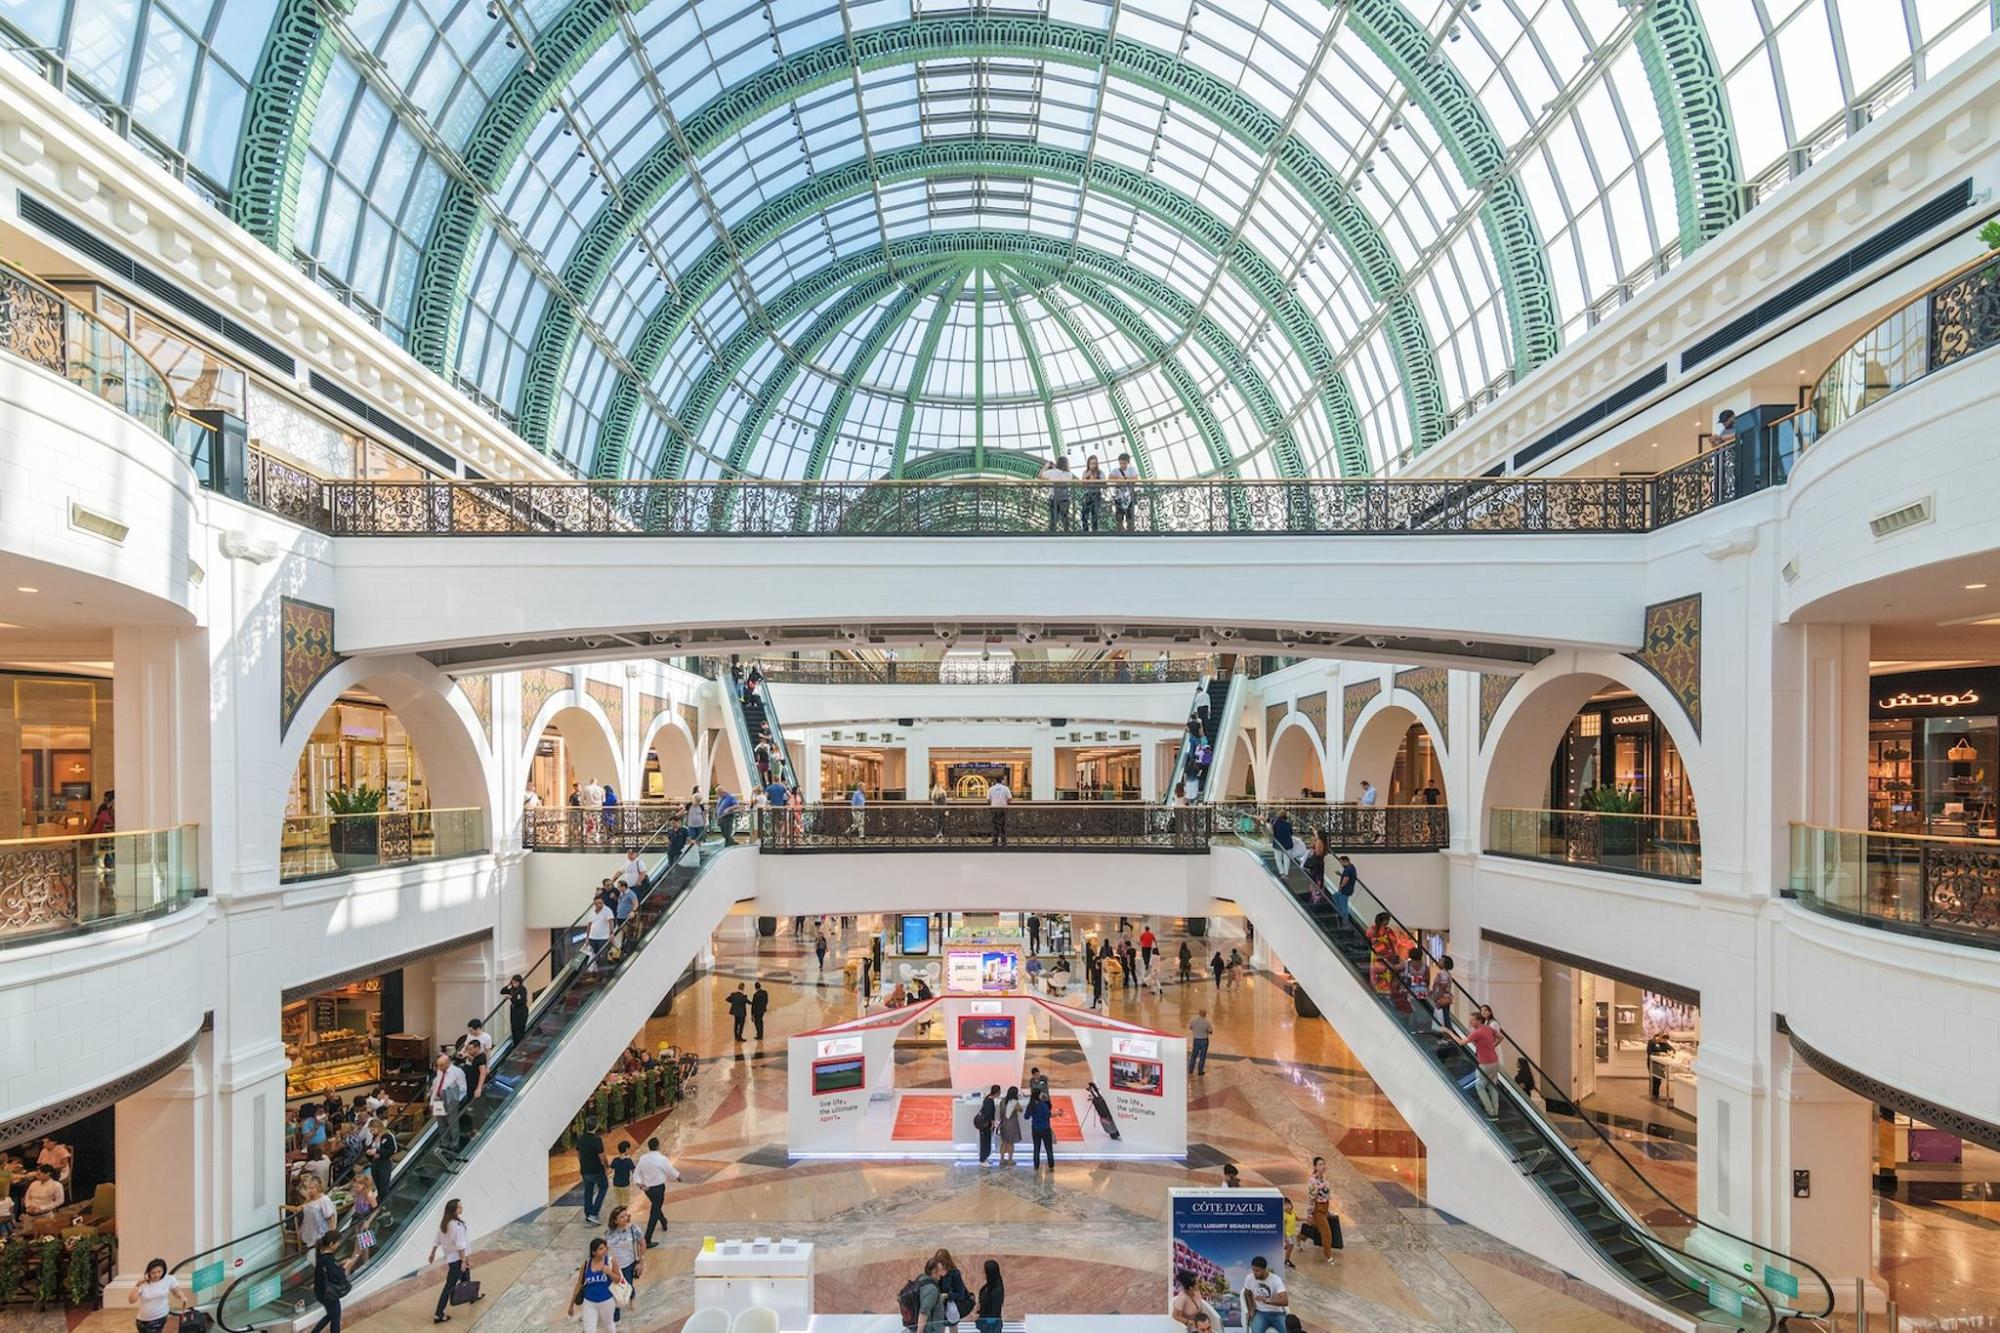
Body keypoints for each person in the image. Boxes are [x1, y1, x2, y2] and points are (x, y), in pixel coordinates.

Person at [428, 1198, 472, 1323]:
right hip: (457, 1260)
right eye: (459, 1207)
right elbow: (460, 1245)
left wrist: (432, 1253)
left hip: (453, 1259)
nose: (461, 1208)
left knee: (466, 1278)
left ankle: (472, 1296)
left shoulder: (445, 1223)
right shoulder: (457, 1226)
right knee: (449, 1287)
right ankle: (439, 1313)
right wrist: (463, 1261)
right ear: (453, 1210)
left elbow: (437, 1239)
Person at [635, 1136, 681, 1246]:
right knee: (655, 1211)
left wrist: (640, 1184)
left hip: (647, 1189)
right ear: (658, 1146)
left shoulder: (643, 1158)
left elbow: (637, 1173)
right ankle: (647, 1239)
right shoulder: (662, 1159)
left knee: (656, 1206)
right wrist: (678, 1176)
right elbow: (670, 1170)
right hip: (658, 1188)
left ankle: (663, 1221)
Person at [604, 1206, 646, 1322]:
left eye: (626, 1215)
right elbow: (605, 1248)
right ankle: (615, 1316)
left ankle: (632, 1294)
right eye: (621, 1217)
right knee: (615, 1290)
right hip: (613, 1266)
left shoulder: (633, 1229)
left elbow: (642, 1243)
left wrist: (641, 1261)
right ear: (615, 1220)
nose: (625, 1218)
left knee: (626, 1286)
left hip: (628, 1265)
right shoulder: (608, 1233)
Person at [1461, 1010, 1506, 1117]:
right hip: (1494, 1061)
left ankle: (1490, 1112)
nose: (1470, 1022)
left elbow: (1461, 1042)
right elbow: (1501, 1037)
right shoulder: (1487, 1028)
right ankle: (1495, 1111)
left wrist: (1449, 1033)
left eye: (1473, 1020)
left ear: (1479, 1020)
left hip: (1485, 1064)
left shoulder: (1477, 1032)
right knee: (1492, 1086)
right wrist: (1493, 1046)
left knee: (1479, 1086)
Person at [567, 1238, 617, 1333]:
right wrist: (571, 1305)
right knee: (589, 1329)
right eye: (601, 1249)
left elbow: (618, 1280)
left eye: (604, 1247)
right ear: (594, 1252)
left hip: (606, 1301)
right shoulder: (586, 1265)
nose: (604, 1250)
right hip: (589, 1302)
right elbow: (579, 1284)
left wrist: (609, 1272)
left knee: (609, 1326)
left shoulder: (611, 1261)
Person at [127, 1256, 188, 1333]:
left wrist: (182, 1296)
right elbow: (131, 1300)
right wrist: (137, 1285)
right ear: (148, 1272)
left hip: (163, 1316)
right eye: (153, 1273)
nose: (157, 1275)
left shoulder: (169, 1279)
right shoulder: (143, 1283)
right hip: (145, 1320)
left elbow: (176, 1291)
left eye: (159, 1272)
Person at [308, 1235, 354, 1333]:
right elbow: (336, 1276)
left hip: (322, 1292)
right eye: (337, 1242)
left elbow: (330, 1271)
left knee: (331, 1315)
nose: (339, 1244)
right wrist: (346, 1266)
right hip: (328, 1294)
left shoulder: (322, 1256)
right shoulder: (327, 1258)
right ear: (331, 1244)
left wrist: (340, 1264)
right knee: (335, 1318)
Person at [429, 1053, 468, 1151]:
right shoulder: (440, 1071)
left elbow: (463, 1088)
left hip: (450, 1097)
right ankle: (444, 1142)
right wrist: (431, 1101)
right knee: (441, 1123)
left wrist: (456, 1100)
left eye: (441, 1065)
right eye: (438, 1065)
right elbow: (435, 1086)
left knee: (452, 1122)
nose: (439, 1068)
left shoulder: (457, 1072)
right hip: (438, 1098)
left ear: (447, 1063)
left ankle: (454, 1144)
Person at [1243, 1255, 1288, 1332]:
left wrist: (1267, 1301)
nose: (1254, 1273)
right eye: (1253, 1270)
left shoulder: (1276, 1279)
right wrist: (1251, 1309)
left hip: (1277, 1313)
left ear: (1264, 1269)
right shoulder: (1249, 1278)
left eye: (1257, 1271)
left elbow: (1285, 1301)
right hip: (1260, 1313)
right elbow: (1247, 1293)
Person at [577, 1117, 609, 1224]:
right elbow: (602, 1156)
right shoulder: (597, 1139)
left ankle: (588, 1215)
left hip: (585, 1170)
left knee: (588, 1192)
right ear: (596, 1125)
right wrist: (607, 1166)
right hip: (597, 1170)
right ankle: (594, 1214)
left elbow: (578, 1155)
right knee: (603, 1187)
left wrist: (583, 1164)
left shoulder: (580, 1138)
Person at [931, 1248, 973, 1326]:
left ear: (947, 1263)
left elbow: (961, 1294)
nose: (939, 1270)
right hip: (940, 1309)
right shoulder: (935, 1274)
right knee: (940, 1327)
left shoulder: (955, 1274)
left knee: (953, 1325)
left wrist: (947, 1295)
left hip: (953, 1308)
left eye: (942, 1266)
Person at [1306, 1157, 1336, 1263]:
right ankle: (1328, 1256)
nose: (1322, 1166)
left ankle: (1300, 1237)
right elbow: (1311, 1198)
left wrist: (1328, 1209)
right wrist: (1309, 1213)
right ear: (1315, 1167)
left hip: (1325, 1207)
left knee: (1314, 1227)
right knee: (1326, 1232)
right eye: (1319, 1164)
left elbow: (1327, 1195)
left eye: (1323, 1164)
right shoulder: (1312, 1181)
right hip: (1317, 1208)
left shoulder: (1325, 1179)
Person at [1039, 453, 1074, 531]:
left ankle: (1052, 533)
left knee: (1053, 518)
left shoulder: (1052, 472)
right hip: (1065, 498)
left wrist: (1046, 466)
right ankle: (1067, 533)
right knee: (1065, 517)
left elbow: (1040, 476)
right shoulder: (1069, 474)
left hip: (1054, 497)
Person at [367, 1117, 397, 1204]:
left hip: (384, 1162)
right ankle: (380, 1201)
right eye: (370, 1131)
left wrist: (378, 1152)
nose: (372, 1132)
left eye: (373, 1130)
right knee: (378, 1184)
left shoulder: (388, 1136)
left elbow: (392, 1150)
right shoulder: (374, 1137)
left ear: (379, 1128)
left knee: (384, 1186)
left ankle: (386, 1204)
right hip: (375, 1162)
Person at [915, 1258, 949, 1332]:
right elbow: (924, 1312)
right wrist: (919, 1331)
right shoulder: (931, 1289)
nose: (942, 1273)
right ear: (934, 1271)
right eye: (940, 1270)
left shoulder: (921, 1278)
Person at [1109, 451, 1141, 531]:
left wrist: (1124, 479)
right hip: (1119, 497)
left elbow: (1136, 479)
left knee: (1130, 516)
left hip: (1129, 496)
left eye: (1124, 463)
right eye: (1121, 463)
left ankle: (1130, 531)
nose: (1122, 465)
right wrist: (1118, 479)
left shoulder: (1132, 469)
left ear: (1128, 462)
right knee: (1119, 516)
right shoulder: (1116, 470)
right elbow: (1110, 478)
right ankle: (1120, 531)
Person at [1027, 1088, 1056, 1169]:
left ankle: (1036, 1165)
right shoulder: (1043, 1105)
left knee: (1036, 1147)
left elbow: (1026, 1116)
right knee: (1048, 1148)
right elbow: (1048, 1115)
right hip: (1045, 1128)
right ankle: (1051, 1164)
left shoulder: (1031, 1105)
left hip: (1035, 1129)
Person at [586, 893, 616, 970]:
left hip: (603, 938)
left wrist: (611, 933)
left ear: (603, 902)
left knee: (602, 958)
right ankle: (595, 972)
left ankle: (603, 974)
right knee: (593, 958)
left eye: (600, 903)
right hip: (592, 938)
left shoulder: (607, 910)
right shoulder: (592, 912)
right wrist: (587, 938)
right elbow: (589, 925)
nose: (598, 905)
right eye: (596, 903)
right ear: (594, 904)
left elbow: (611, 922)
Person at [975, 1258, 1005, 1333]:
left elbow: (995, 1316)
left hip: (990, 1328)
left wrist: (983, 1321)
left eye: (984, 1271)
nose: (983, 1273)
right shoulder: (990, 1285)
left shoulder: (996, 1291)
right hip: (986, 1325)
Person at [1428, 954, 1456, 1034]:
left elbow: (1442, 987)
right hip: (1445, 998)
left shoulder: (1442, 974)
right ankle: (1447, 1034)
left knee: (1443, 1018)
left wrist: (1436, 997)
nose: (1438, 961)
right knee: (1445, 1017)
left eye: (1441, 960)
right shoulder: (1446, 974)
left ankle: (1447, 1035)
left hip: (1442, 999)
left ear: (1445, 964)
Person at [501, 973, 531, 1048]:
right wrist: (508, 985)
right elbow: (502, 991)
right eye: (513, 982)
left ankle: (520, 1045)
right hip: (514, 1011)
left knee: (519, 1029)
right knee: (514, 1028)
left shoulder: (522, 990)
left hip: (521, 1011)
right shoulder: (512, 989)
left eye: (516, 982)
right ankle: (515, 1044)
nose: (514, 984)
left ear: (519, 982)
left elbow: (521, 1001)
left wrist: (511, 998)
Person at [997, 1085, 1023, 1166]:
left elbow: (1001, 1113)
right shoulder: (1014, 1102)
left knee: (1004, 1142)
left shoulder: (1002, 1100)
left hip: (1004, 1123)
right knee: (1010, 1143)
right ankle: (1010, 1160)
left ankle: (1002, 1159)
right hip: (1012, 1124)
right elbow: (1021, 1109)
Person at [1079, 455, 1105, 532]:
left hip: (1096, 495)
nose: (1093, 465)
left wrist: (1096, 480)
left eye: (1094, 463)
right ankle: (1085, 531)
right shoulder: (1086, 472)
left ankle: (1094, 531)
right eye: (1091, 463)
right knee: (1084, 514)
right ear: (1088, 464)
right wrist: (1087, 477)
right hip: (1087, 495)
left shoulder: (1100, 472)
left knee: (1095, 514)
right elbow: (1082, 485)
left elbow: (1104, 483)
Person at [609, 1141, 636, 1214]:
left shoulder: (615, 1160)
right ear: (626, 1149)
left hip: (616, 1184)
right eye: (629, 1149)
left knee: (619, 1202)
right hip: (624, 1185)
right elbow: (634, 1171)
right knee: (625, 1203)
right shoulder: (628, 1161)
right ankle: (623, 1215)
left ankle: (619, 1214)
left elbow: (610, 1170)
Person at [1647, 1031, 1675, 1099]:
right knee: (1655, 1079)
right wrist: (1660, 1054)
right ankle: (1654, 1094)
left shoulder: (1665, 1043)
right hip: (1653, 1063)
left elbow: (1672, 1049)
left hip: (1660, 1064)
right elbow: (1649, 1052)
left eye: (1666, 1040)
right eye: (1664, 1039)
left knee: (1658, 1079)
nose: (1665, 1041)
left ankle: (1655, 1094)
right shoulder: (1652, 1042)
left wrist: (1671, 1052)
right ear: (1659, 1037)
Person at [976, 1084, 1000, 1165]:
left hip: (985, 1124)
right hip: (986, 1125)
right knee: (985, 1142)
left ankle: (985, 1158)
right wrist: (992, 1124)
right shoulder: (990, 1101)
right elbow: (989, 1114)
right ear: (997, 1093)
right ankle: (982, 1160)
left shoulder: (987, 1098)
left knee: (986, 1141)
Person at [1269, 811, 1298, 875]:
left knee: (1278, 859)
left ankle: (1281, 872)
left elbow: (1272, 833)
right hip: (1288, 844)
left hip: (1278, 843)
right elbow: (1291, 833)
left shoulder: (1275, 823)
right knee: (1287, 859)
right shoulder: (1288, 824)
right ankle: (1286, 873)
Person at [987, 776, 1011, 845]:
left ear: (995, 781)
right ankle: (1004, 841)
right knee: (1003, 825)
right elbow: (1009, 799)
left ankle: (995, 841)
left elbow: (988, 800)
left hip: (994, 808)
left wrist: (993, 802)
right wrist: (1005, 802)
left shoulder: (991, 789)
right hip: (1003, 808)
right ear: (1002, 781)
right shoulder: (1006, 788)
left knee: (995, 825)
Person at [1188, 1009, 1213, 1075]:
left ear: (1199, 1013)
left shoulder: (1193, 1020)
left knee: (1194, 1055)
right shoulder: (1206, 1022)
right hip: (1204, 1040)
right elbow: (1210, 1031)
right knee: (1202, 1056)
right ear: (1205, 1014)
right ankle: (1200, 1071)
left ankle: (1190, 1069)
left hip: (1196, 1039)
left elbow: (1190, 1027)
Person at [1282, 1197, 1300, 1269]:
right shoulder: (1284, 1215)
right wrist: (1284, 1237)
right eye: (1285, 1205)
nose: (1287, 1206)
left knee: (1291, 1245)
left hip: (1292, 1233)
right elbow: (1283, 1225)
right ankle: (1287, 1261)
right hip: (1287, 1234)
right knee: (1291, 1246)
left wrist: (1306, 1219)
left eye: (1288, 1204)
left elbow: (1297, 1218)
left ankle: (1285, 1247)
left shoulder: (1293, 1213)